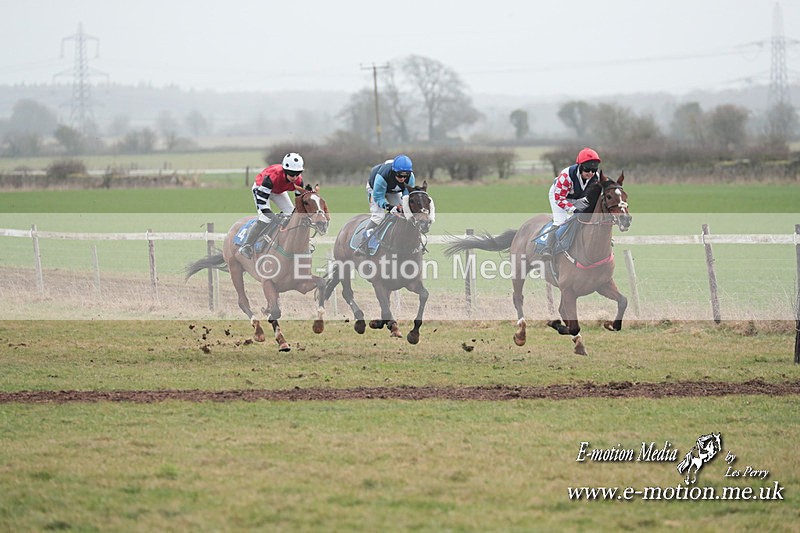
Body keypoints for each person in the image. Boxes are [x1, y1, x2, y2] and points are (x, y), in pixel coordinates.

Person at [239, 152, 305, 259]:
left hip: (278, 190)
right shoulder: (271, 178)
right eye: (291, 174)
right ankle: (246, 245)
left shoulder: (299, 181)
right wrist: (275, 218)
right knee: (265, 218)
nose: (294, 177)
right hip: (261, 189)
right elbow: (262, 205)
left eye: (297, 174)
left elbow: (299, 203)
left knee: (292, 214)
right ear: (285, 171)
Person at [541, 147, 601, 259]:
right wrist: (573, 209)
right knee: (560, 221)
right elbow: (559, 199)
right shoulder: (566, 176)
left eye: (594, 170)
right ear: (580, 166)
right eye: (587, 169)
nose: (590, 173)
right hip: (558, 196)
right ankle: (547, 248)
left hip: (577, 197)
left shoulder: (595, 178)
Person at [355, 154, 416, 255]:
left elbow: (407, 195)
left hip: (393, 191)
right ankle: (363, 244)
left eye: (406, 176)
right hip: (375, 190)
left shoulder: (411, 178)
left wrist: (403, 206)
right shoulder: (382, 176)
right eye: (400, 175)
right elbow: (378, 197)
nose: (403, 178)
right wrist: (389, 207)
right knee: (378, 217)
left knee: (403, 214)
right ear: (394, 172)